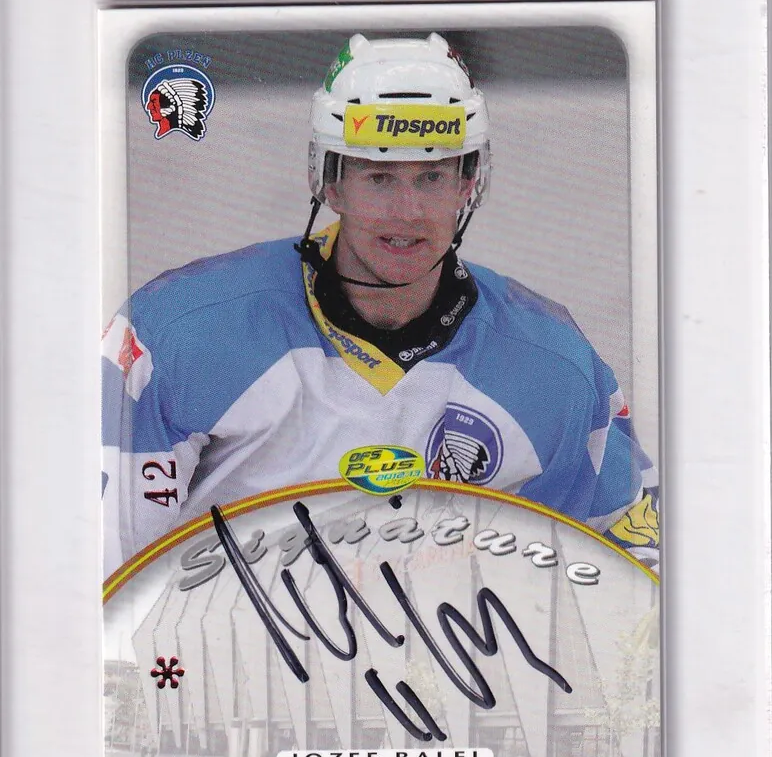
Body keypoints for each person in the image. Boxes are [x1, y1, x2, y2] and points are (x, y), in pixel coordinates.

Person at [102, 32, 659, 578]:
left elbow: (634, 574)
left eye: (432, 177)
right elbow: (101, 576)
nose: (407, 212)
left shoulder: (554, 365)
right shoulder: (177, 334)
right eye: (380, 177)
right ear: (330, 184)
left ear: (469, 184)